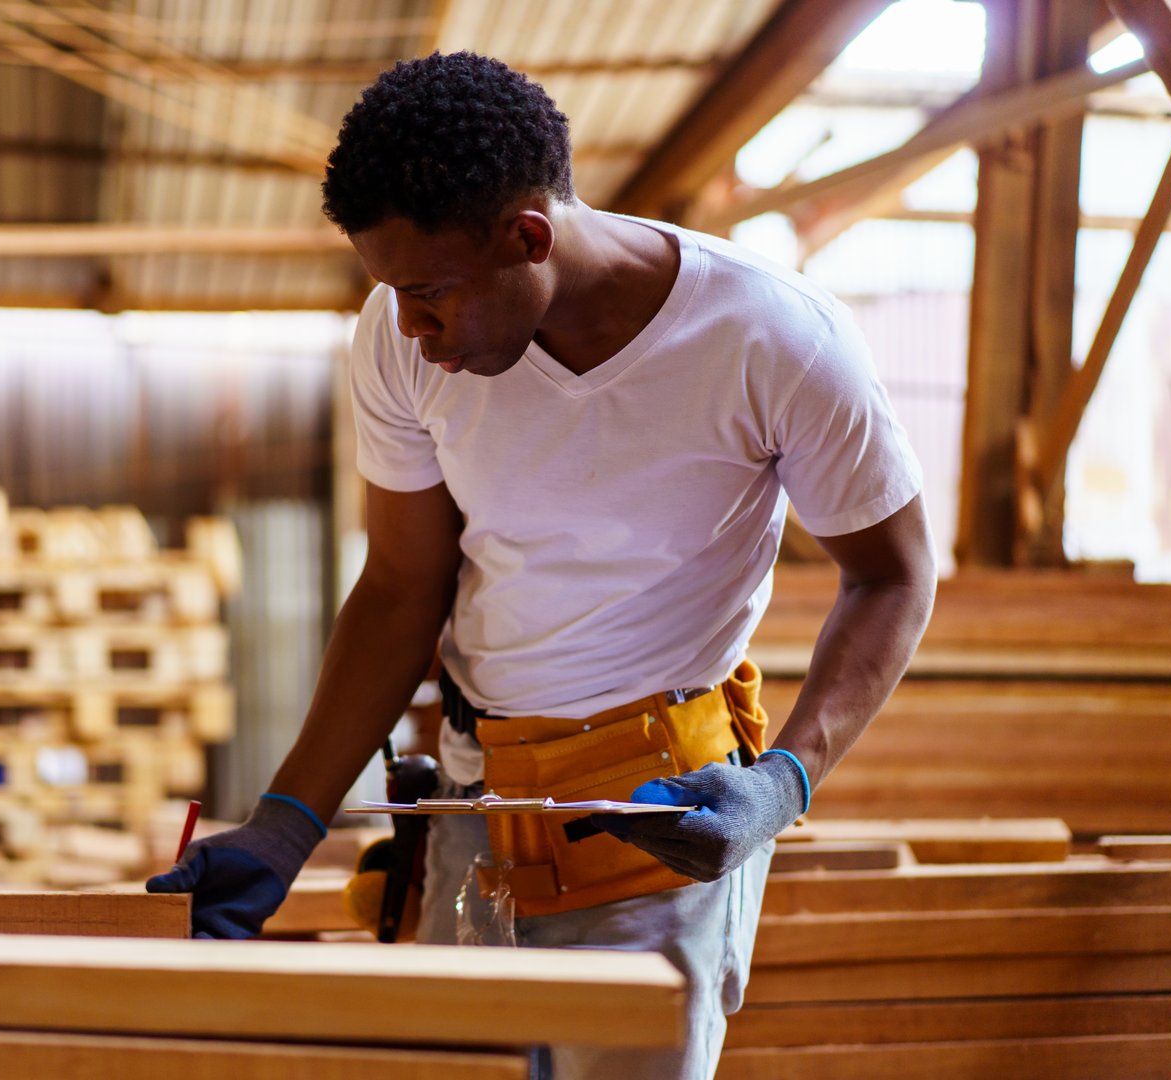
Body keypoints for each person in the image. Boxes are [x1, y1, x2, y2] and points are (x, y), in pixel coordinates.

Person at [150, 50, 937, 1080]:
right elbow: (398, 590)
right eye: (393, 294)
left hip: (658, 829)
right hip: (479, 806)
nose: (414, 333)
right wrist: (288, 822)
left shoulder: (773, 341)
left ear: (529, 236)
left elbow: (893, 574)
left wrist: (785, 782)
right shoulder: (397, 340)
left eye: (430, 295)